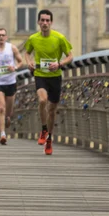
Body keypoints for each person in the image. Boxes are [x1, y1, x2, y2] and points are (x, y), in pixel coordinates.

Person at [24, 10, 73, 155]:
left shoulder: (59, 38)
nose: (45, 23)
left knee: (52, 110)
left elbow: (70, 56)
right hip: (40, 75)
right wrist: (29, 63)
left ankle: (50, 138)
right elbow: (27, 53)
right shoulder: (33, 38)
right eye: (42, 20)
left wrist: (59, 63)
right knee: (42, 100)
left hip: (55, 76)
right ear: (38, 22)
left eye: (47, 20)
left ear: (51, 22)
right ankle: (44, 130)